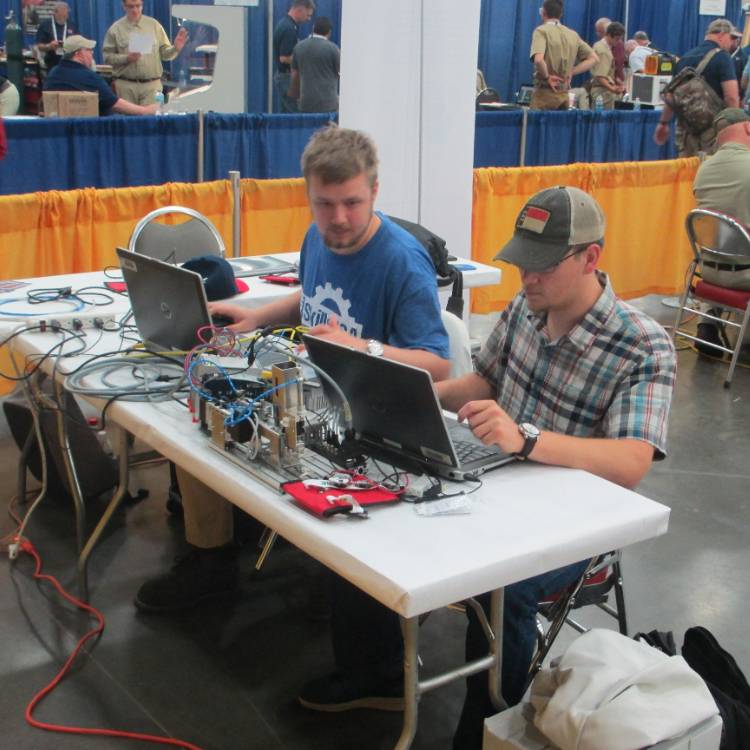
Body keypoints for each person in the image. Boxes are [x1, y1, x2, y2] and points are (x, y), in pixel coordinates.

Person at [296, 187, 676, 745]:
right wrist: (410, 398)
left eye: (542, 266)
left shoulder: (643, 345)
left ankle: (483, 728)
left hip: (575, 521)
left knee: (508, 585)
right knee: (361, 504)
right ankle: (374, 674)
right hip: (495, 477)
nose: (527, 279)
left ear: (591, 258)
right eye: (521, 262)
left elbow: (631, 462)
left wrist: (526, 439)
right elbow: (484, 382)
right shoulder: (528, 307)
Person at [133, 125, 450, 613]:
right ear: (308, 195)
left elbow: (438, 362)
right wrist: (257, 317)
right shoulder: (318, 238)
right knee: (202, 414)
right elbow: (313, 298)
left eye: (352, 202)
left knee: (218, 430)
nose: (339, 218)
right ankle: (213, 559)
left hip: (364, 417)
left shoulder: (402, 263)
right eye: (325, 204)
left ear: (375, 192)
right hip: (311, 394)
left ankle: (225, 556)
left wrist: (361, 347)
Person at [692, 107, 750, 351]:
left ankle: (707, 324)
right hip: (745, 275)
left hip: (709, 270)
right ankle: (746, 343)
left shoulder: (703, 169)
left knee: (720, 238)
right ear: (748, 128)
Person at [654, 18, 739, 157]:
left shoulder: (685, 58)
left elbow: (671, 96)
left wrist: (663, 123)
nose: (732, 43)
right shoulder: (723, 57)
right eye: (732, 38)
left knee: (687, 173)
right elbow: (731, 97)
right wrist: (736, 128)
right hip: (713, 134)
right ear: (721, 35)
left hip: (687, 133)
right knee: (711, 174)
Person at [44, 35, 159, 116]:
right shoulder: (88, 77)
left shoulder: (53, 73)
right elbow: (115, 104)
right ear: (78, 54)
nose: (92, 53)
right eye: (89, 50)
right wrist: (145, 110)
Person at [103, 0, 188, 106]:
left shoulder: (154, 26)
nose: (135, 10)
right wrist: (127, 58)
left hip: (152, 86)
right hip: (125, 86)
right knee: (128, 121)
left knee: (153, 120)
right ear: (124, 7)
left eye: (138, 6)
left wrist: (175, 48)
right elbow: (107, 57)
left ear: (142, 6)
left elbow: (165, 55)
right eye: (131, 6)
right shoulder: (115, 29)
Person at [529, 0, 597, 111]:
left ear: (543, 12)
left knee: (537, 127)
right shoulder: (572, 34)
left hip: (544, 95)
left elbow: (538, 60)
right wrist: (572, 71)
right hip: (563, 95)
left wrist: (547, 77)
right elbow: (593, 58)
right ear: (561, 14)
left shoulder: (541, 31)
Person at [289, 16, 340, 113]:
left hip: (306, 102)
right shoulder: (333, 49)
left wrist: (294, 96)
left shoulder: (299, 47)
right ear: (329, 32)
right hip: (328, 103)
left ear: (313, 28)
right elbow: (340, 71)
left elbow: (295, 74)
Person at [273, 0, 315, 113]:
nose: (308, 19)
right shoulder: (289, 28)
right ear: (300, 9)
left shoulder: (286, 24)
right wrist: (305, 62)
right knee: (295, 115)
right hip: (287, 78)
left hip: (285, 77)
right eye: (308, 15)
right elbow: (284, 57)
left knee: (286, 115)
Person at [590, 21, 626, 108]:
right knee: (602, 120)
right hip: (603, 93)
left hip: (602, 91)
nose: (618, 42)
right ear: (609, 35)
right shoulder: (603, 51)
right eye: (617, 39)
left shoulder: (598, 45)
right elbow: (600, 76)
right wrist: (613, 89)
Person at [35, 2, 76, 73]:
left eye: (66, 15)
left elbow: (78, 43)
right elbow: (39, 46)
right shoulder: (45, 25)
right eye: (62, 15)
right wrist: (49, 46)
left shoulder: (71, 25)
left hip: (69, 63)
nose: (65, 17)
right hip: (51, 63)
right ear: (55, 13)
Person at [595, 16, 625, 88]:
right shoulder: (602, 48)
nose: (598, 35)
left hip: (611, 84)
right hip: (607, 85)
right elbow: (600, 75)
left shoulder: (617, 45)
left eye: (601, 32)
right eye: (598, 31)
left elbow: (617, 65)